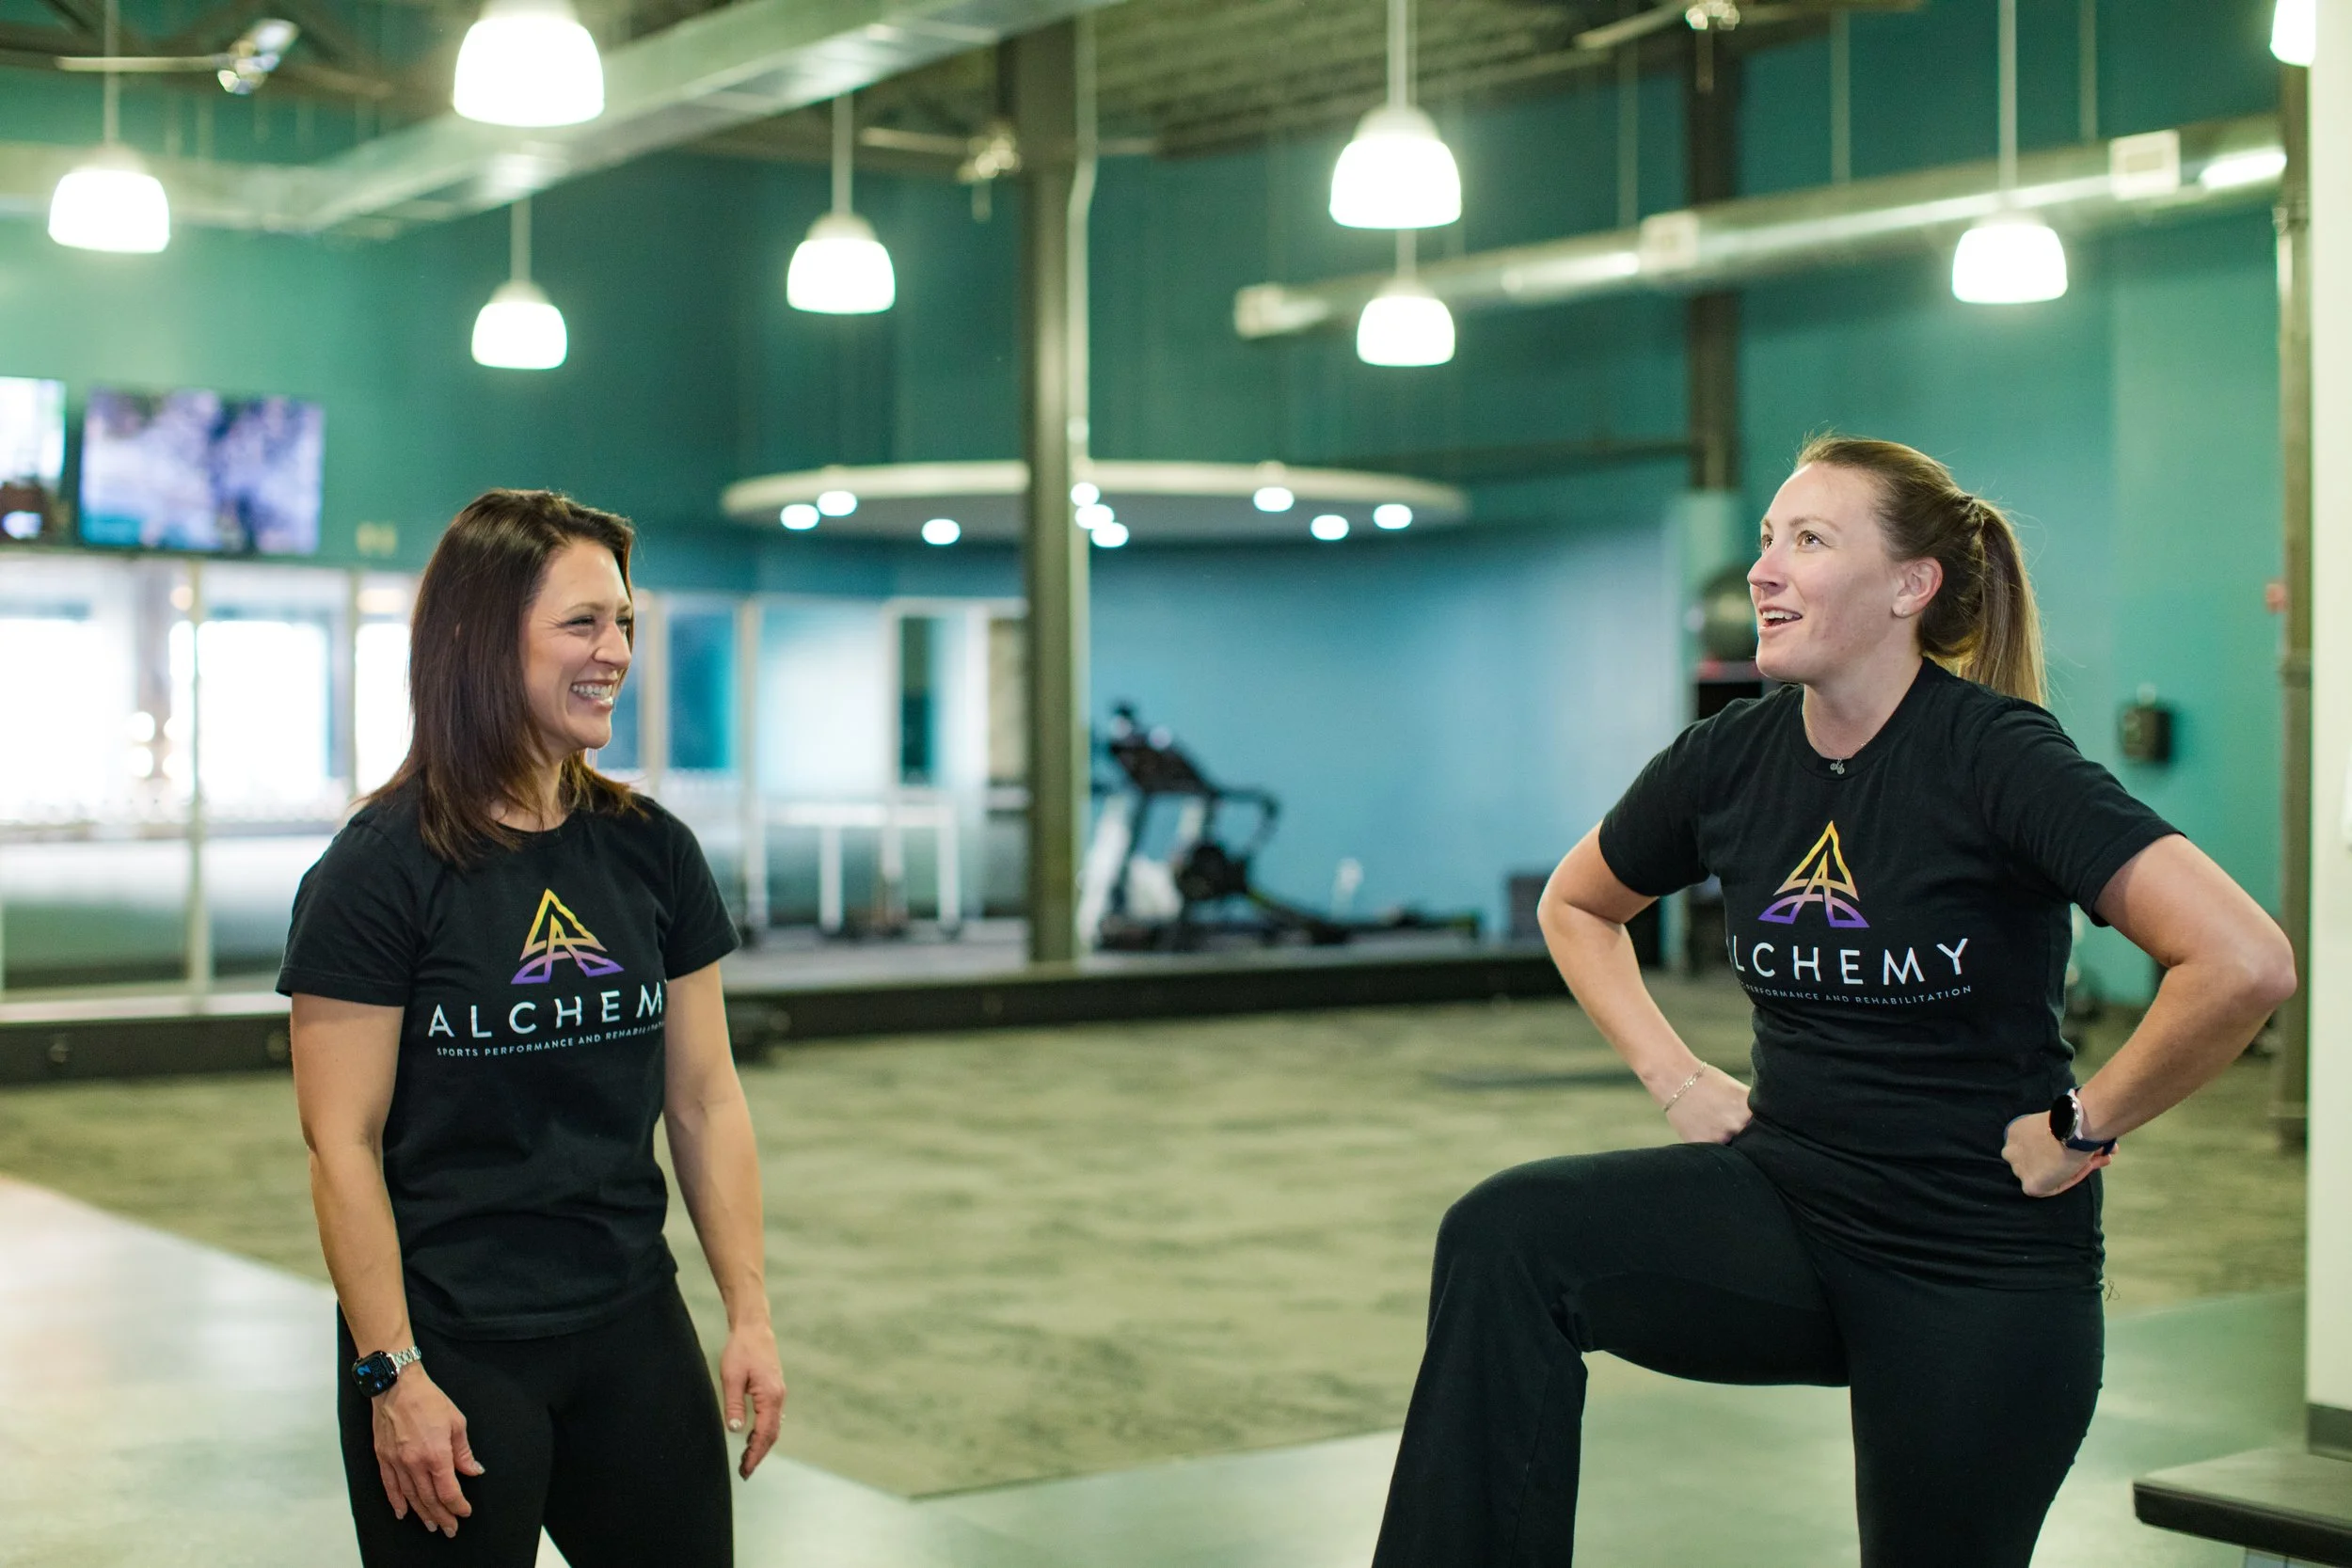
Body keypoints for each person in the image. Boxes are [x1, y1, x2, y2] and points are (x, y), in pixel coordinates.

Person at [1370, 436, 2297, 1568]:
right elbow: (1578, 903)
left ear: (1912, 587)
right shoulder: (1730, 759)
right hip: (1786, 1208)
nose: (1761, 568)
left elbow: (2243, 960)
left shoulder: (1996, 756)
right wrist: (1673, 1074)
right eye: (1765, 537)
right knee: (1507, 1235)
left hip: (1973, 1254)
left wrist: (2083, 1123)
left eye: (1807, 540)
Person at [282, 489, 785, 1567]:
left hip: (628, 1321)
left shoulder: (650, 850)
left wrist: (748, 1310)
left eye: (625, 623)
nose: (615, 651)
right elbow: (342, 1144)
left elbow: (703, 1096)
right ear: (477, 636)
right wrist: (392, 1373)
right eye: (582, 622)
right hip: (451, 1347)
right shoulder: (378, 872)